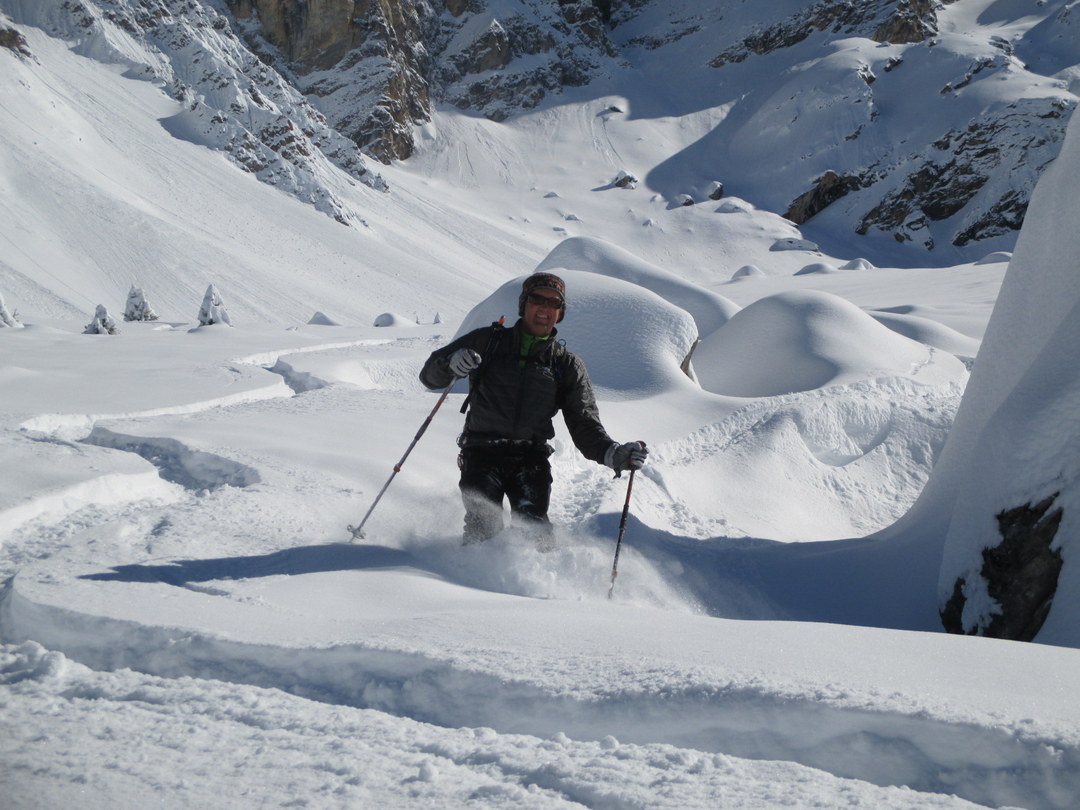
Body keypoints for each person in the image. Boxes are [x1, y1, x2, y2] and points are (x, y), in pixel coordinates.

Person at [420, 272, 648, 548]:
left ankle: (533, 585)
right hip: (481, 452)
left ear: (560, 313)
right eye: (537, 299)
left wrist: (611, 453)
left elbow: (583, 421)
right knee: (483, 526)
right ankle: (470, 584)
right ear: (523, 304)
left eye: (554, 303)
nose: (545, 308)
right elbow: (429, 376)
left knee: (534, 530)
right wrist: (449, 365)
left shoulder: (566, 364)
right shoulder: (488, 341)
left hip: (530, 458)